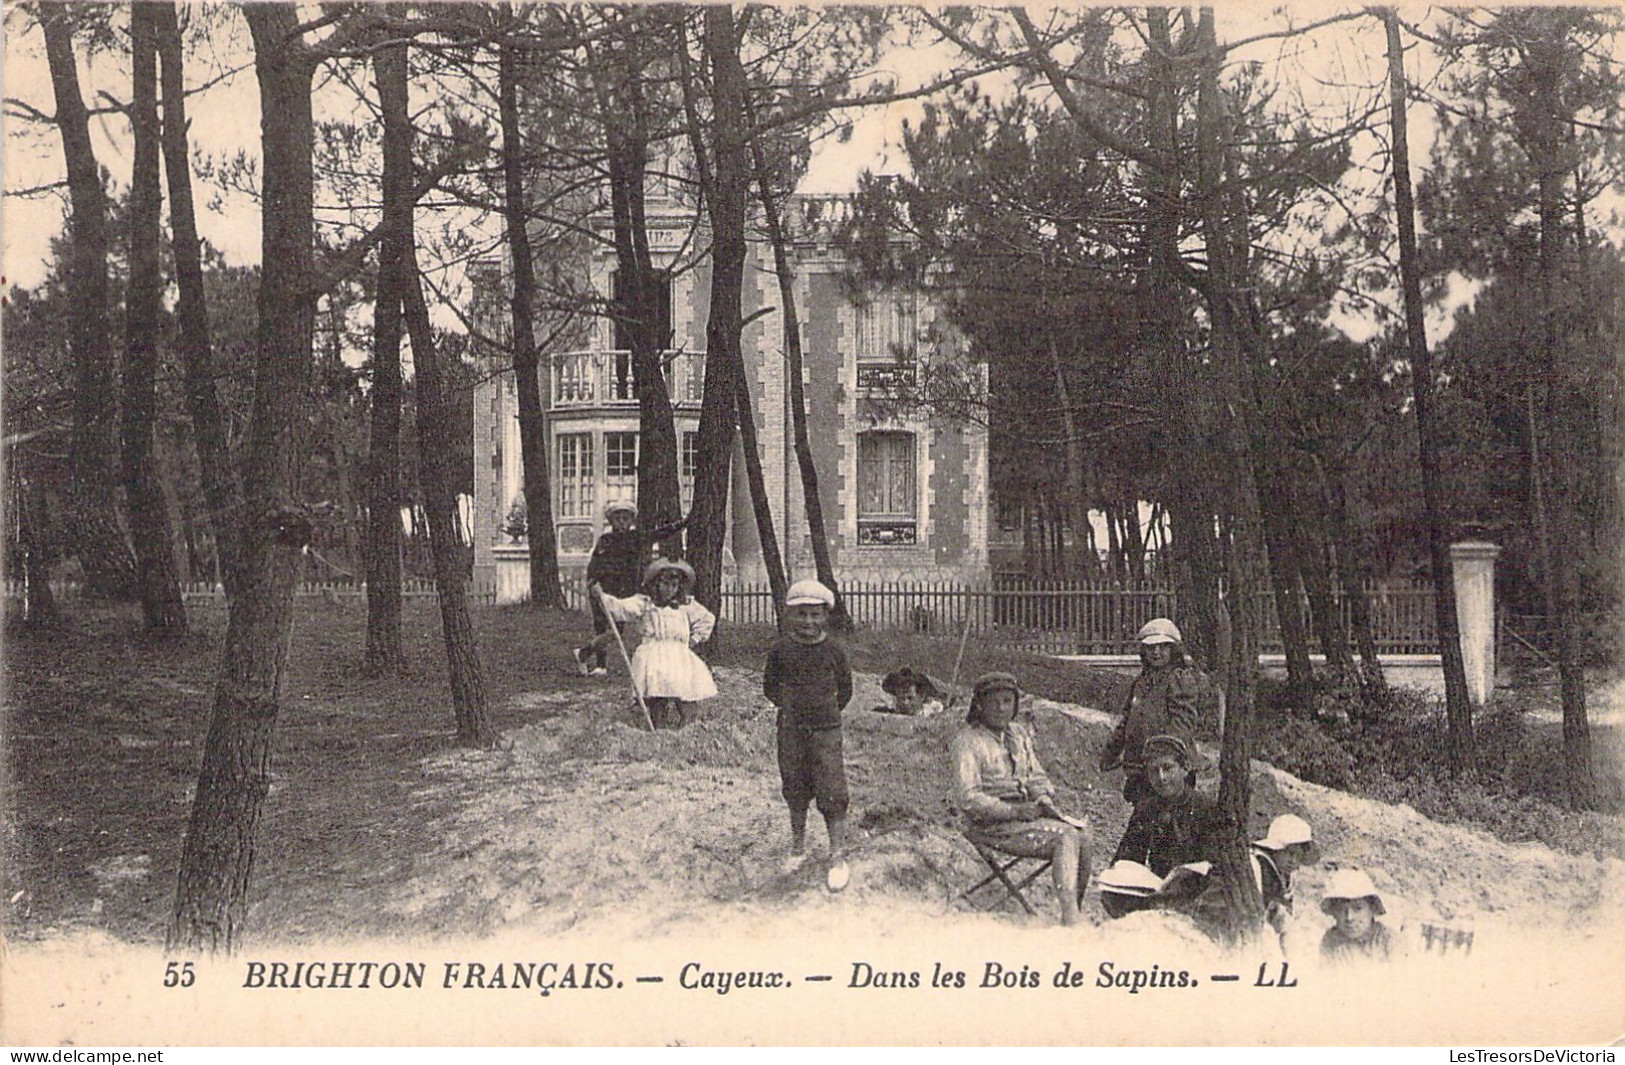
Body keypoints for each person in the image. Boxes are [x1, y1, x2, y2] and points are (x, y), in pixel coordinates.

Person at [950, 672, 1092, 926]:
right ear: (979, 705)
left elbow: (1036, 776)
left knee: (1084, 835)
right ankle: (1070, 917)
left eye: (1007, 701)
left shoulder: (1018, 735)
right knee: (1065, 837)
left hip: (1024, 818)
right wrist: (1015, 812)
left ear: (1015, 705)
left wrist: (1043, 798)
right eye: (993, 702)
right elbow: (968, 798)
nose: (1001, 708)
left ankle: (1074, 908)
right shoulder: (967, 741)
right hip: (989, 825)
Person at [763, 579, 855, 892]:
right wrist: (793, 707)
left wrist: (824, 710)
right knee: (795, 785)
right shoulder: (780, 650)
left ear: (825, 616)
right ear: (790, 616)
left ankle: (837, 855)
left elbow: (845, 690)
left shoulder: (834, 651)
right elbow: (770, 687)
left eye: (815, 615)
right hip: (791, 728)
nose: (808, 622)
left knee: (831, 789)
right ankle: (798, 848)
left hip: (826, 730)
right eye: (801, 614)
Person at [1104, 732, 1222, 919]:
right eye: (1154, 771)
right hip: (1158, 891)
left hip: (1197, 894)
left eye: (1167, 768)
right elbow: (1127, 858)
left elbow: (1217, 867)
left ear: (1184, 769)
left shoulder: (1206, 807)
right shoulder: (1146, 809)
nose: (1161, 777)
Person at [592, 559, 716, 729]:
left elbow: (707, 619)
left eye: (674, 585)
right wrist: (603, 598)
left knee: (686, 694)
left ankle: (686, 731)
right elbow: (622, 608)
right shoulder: (645, 603)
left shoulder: (685, 605)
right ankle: (659, 730)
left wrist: (694, 639)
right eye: (665, 584)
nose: (669, 589)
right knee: (658, 694)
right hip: (654, 655)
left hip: (679, 656)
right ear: (656, 584)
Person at [575, 501, 688, 676]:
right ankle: (600, 665)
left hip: (624, 590)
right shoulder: (606, 540)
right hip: (603, 588)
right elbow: (595, 564)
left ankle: (583, 653)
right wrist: (593, 583)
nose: (622, 522)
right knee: (602, 626)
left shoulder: (636, 537)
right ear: (611, 521)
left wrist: (682, 524)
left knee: (616, 631)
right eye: (618, 518)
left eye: (625, 518)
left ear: (631, 521)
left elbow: (658, 534)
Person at [1099, 618, 1203, 806]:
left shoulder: (1179, 680)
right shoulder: (1141, 683)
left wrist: (1161, 755)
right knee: (1145, 819)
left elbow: (1183, 722)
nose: (1156, 652)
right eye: (1150, 647)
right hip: (1141, 767)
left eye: (1163, 647)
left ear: (1173, 650)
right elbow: (1128, 720)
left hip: (1168, 768)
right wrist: (1111, 752)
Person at [1252, 814, 1320, 937]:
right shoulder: (1259, 866)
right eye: (1290, 853)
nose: (1293, 861)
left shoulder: (1287, 876)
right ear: (1274, 849)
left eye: (1298, 856)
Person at [1320, 868, 1396, 963]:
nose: (1349, 917)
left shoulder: (1387, 940)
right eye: (1341, 909)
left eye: (1358, 908)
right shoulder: (1331, 940)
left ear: (1371, 909)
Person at [878, 666, 945, 716]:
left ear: (921, 696)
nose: (905, 703)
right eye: (901, 698)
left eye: (910, 698)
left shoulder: (933, 714)